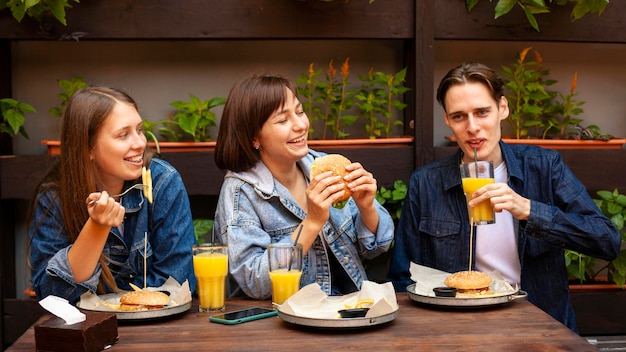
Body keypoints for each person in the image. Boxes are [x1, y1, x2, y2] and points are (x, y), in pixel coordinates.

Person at [387, 62, 621, 332]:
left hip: (540, 327)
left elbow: (607, 240)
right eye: (459, 116)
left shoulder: (544, 166)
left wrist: (530, 210)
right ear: (448, 121)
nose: (472, 127)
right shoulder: (427, 182)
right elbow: (402, 279)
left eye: (482, 112)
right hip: (457, 329)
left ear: (503, 108)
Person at [213, 73, 394, 299]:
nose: (300, 125)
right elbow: (255, 282)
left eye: (299, 112)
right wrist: (312, 223)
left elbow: (377, 247)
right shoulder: (241, 192)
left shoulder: (325, 167)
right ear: (254, 138)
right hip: (282, 322)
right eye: (283, 120)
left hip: (350, 309)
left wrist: (367, 208)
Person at [28, 86, 196, 304]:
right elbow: (53, 296)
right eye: (123, 135)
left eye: (139, 130)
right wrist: (96, 228)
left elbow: (178, 281)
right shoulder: (54, 199)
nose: (140, 143)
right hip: (88, 331)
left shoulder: (162, 182)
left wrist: (111, 303)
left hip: (157, 328)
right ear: (88, 147)